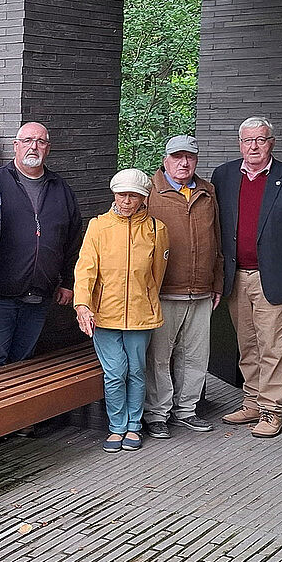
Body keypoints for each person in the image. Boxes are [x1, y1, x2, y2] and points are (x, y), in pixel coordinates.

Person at [212, 116, 282, 438]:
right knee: (247, 345)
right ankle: (251, 402)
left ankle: (271, 411)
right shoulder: (223, 176)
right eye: (248, 140)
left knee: (272, 348)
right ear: (240, 144)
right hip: (237, 277)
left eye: (260, 140)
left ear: (271, 143)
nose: (254, 146)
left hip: (274, 278)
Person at [74, 169, 169, 453]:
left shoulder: (157, 229)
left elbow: (157, 274)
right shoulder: (98, 226)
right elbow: (86, 268)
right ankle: (117, 427)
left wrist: (146, 298)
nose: (126, 201)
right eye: (121, 195)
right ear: (114, 195)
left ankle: (134, 426)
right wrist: (82, 304)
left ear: (143, 198)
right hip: (104, 314)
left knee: (137, 371)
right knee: (115, 372)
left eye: (133, 196)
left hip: (141, 315)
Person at [0, 122, 81, 370]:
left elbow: (73, 239)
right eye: (27, 141)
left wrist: (68, 282)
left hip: (40, 294)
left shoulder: (60, 188)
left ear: (48, 148)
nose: (33, 147)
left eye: (40, 141)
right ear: (16, 146)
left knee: (24, 362)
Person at [143, 135, 222, 439]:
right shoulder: (150, 192)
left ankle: (187, 410)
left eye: (189, 157)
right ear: (165, 160)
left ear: (196, 161)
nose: (184, 163)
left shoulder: (207, 192)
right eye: (177, 157)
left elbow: (217, 239)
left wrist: (217, 281)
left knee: (195, 356)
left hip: (202, 290)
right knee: (159, 357)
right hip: (164, 291)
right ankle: (157, 413)